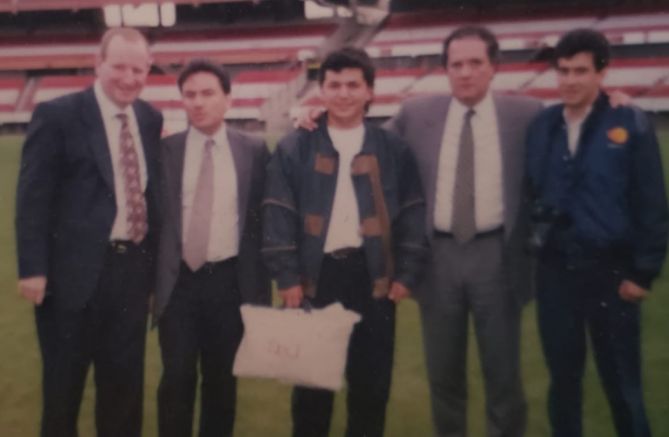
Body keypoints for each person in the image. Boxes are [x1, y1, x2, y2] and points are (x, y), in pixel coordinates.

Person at [384, 26, 542, 437]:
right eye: (456, 64)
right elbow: (366, 144)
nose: (466, 72)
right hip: (438, 257)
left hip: (496, 255)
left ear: (494, 68)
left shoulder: (526, 115)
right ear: (446, 70)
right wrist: (318, 117)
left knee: (503, 373)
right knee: (443, 373)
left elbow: (578, 125)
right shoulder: (416, 113)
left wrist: (616, 105)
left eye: (476, 63)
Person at [262, 47, 427, 437]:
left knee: (371, 391)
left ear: (370, 91)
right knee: (312, 395)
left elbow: (413, 211)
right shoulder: (296, 146)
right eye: (334, 85)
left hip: (373, 279)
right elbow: (277, 211)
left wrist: (407, 272)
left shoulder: (392, 148)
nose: (343, 93)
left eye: (353, 85)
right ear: (321, 90)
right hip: (315, 278)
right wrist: (286, 276)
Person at [15, 28, 162, 437]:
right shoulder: (58, 114)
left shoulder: (150, 118)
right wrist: (33, 268)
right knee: (63, 394)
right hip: (70, 280)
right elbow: (33, 198)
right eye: (119, 67)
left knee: (123, 393)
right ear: (98, 64)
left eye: (139, 69)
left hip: (130, 276)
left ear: (149, 70)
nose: (129, 78)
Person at [526, 29, 668, 437]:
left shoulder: (630, 121)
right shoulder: (544, 125)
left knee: (622, 384)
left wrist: (643, 272)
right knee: (564, 382)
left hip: (612, 274)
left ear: (603, 73)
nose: (570, 80)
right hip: (556, 273)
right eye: (563, 70)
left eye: (581, 71)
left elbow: (652, 203)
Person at [153, 59, 271, 437]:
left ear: (228, 100)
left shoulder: (252, 149)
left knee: (222, 382)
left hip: (229, 282)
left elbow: (264, 217)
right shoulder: (165, 151)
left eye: (207, 93)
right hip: (179, 284)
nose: (198, 102)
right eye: (189, 95)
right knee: (177, 377)